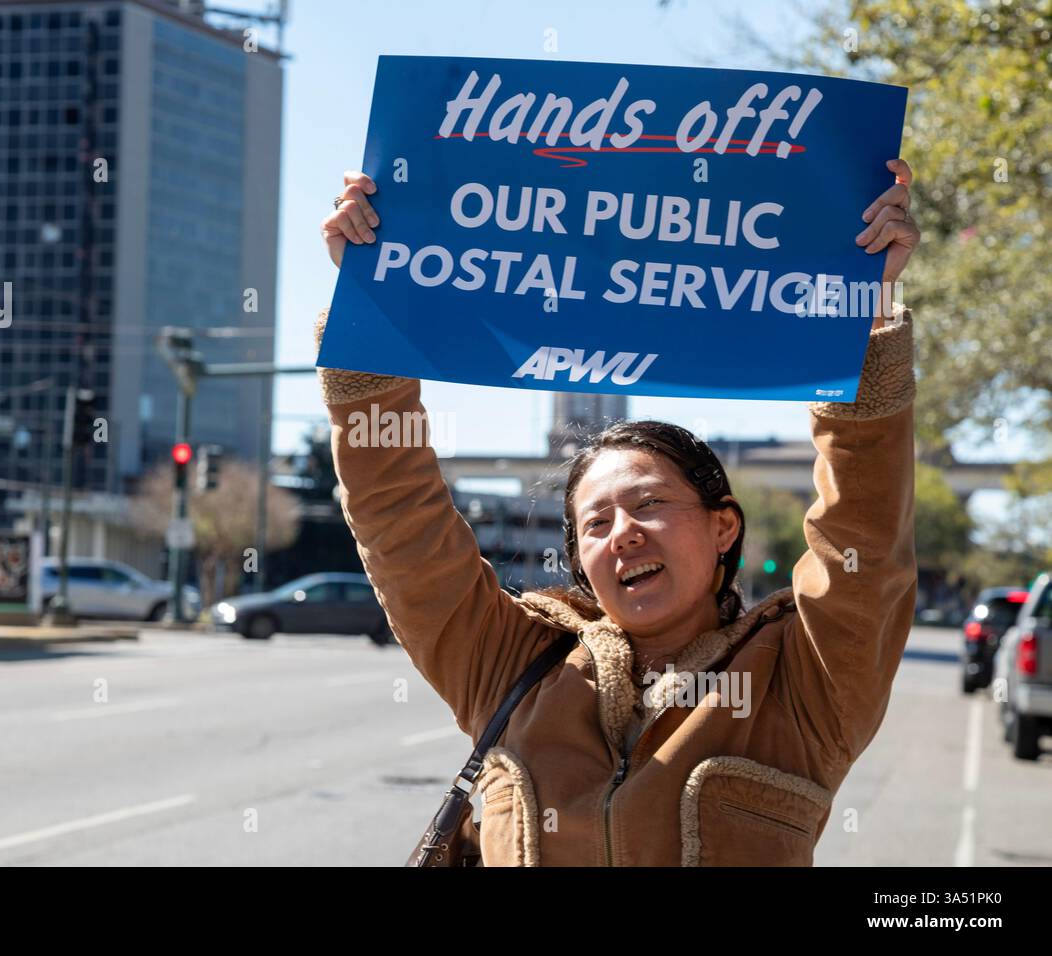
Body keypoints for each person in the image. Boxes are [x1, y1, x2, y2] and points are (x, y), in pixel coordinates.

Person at [314, 160, 920, 866]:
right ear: (580, 561)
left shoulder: (806, 682)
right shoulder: (507, 664)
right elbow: (399, 525)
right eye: (596, 524)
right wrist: (365, 300)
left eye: (651, 503)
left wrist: (865, 311)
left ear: (724, 526)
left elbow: (865, 539)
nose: (623, 532)